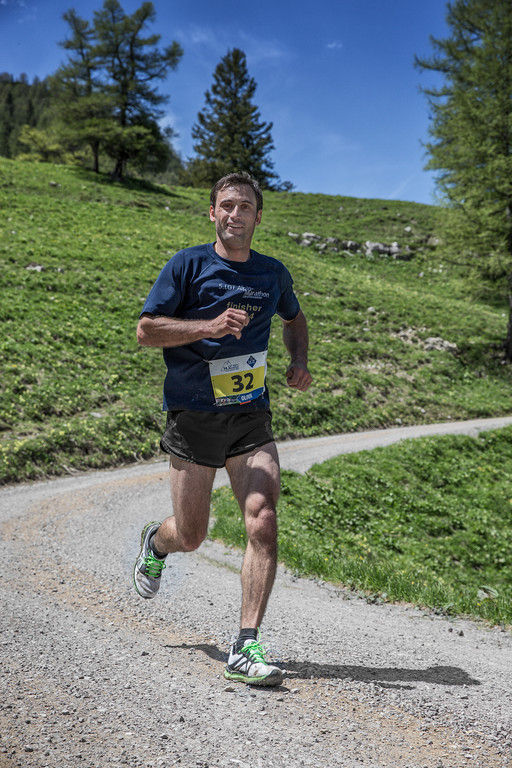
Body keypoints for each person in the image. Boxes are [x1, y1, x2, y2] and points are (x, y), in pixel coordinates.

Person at [133, 171, 312, 686]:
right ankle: (157, 543)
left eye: (245, 206)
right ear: (213, 212)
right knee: (191, 535)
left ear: (259, 216)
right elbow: (146, 330)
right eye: (227, 205)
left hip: (250, 415)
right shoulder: (188, 265)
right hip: (193, 414)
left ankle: (245, 645)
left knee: (263, 518)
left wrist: (298, 360)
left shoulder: (272, 274)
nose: (235, 214)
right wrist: (208, 326)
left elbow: (294, 319)